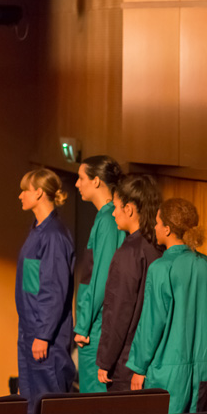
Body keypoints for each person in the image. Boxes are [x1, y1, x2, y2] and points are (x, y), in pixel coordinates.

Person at [126, 199, 207, 414]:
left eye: (158, 222)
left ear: (167, 229)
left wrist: (139, 367)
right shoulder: (206, 265)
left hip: (166, 372)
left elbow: (151, 323)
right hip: (201, 370)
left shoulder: (161, 268)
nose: (154, 227)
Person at [15, 169, 76, 414]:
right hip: (30, 331)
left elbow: (54, 289)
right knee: (30, 404)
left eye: (25, 190)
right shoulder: (38, 230)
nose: (20, 195)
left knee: (48, 405)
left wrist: (43, 334)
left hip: (45, 339)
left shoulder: (54, 235)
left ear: (39, 193)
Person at [96, 175, 162, 392]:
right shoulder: (160, 248)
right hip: (154, 361)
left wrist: (105, 360)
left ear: (130, 209)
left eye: (116, 207)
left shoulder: (128, 253)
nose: (113, 213)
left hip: (126, 363)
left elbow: (118, 312)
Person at [73, 155, 125, 393]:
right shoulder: (105, 216)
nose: (77, 184)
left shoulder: (108, 218)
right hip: (96, 323)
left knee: (93, 398)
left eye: (81, 178)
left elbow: (102, 277)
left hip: (96, 327)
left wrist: (83, 326)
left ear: (96, 181)